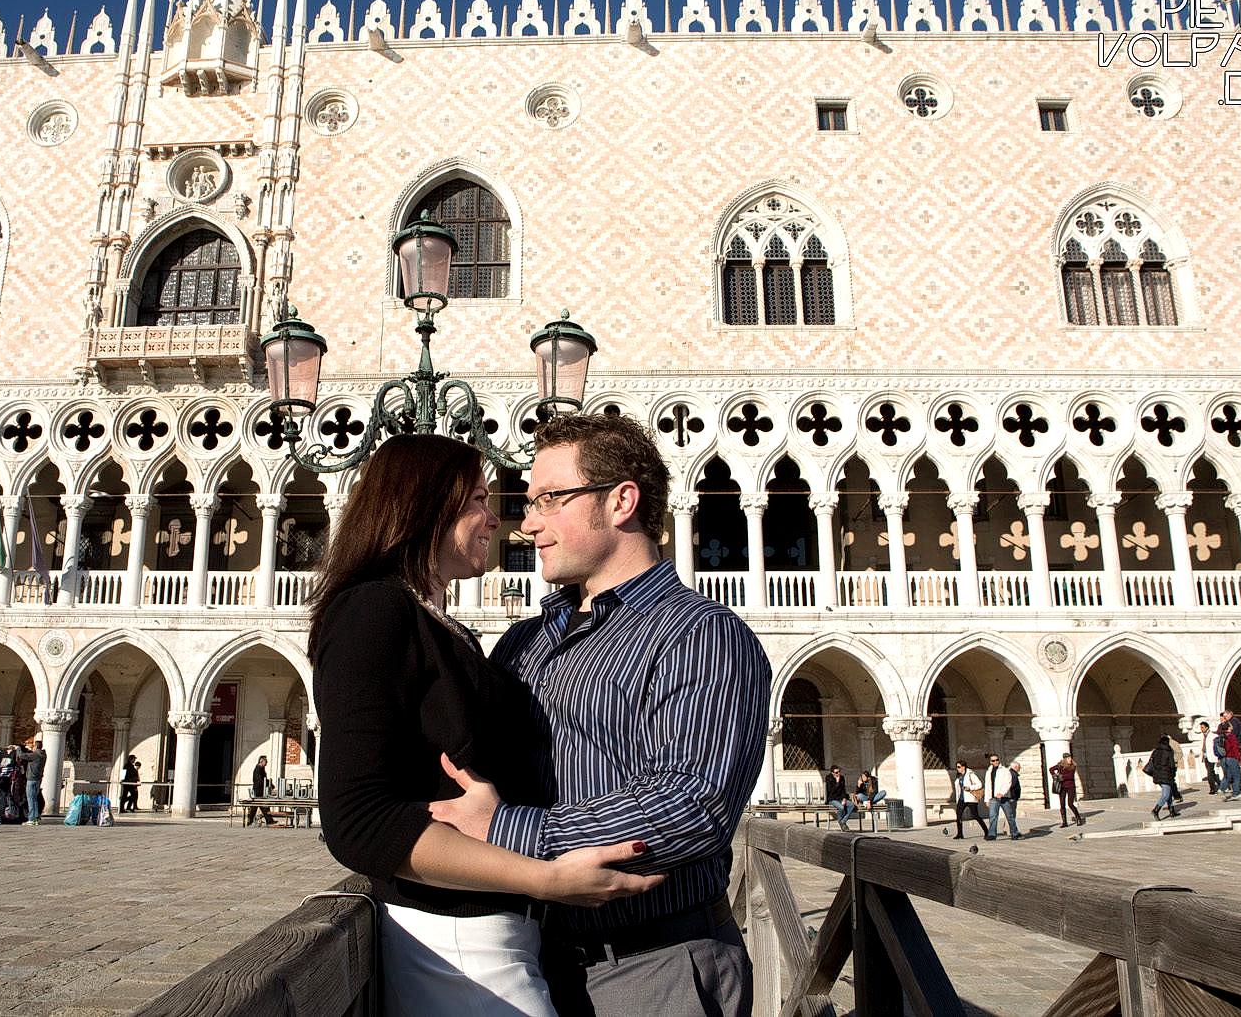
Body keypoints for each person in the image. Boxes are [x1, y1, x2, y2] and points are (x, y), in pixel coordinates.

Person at [430, 414, 772, 1016]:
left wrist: (504, 830)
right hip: (527, 961)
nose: (527, 523)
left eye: (549, 500)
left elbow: (693, 805)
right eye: (527, 502)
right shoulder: (522, 645)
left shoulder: (702, 635)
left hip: (654, 967)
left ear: (621, 502)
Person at [314, 433, 665, 1017]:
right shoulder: (372, 611)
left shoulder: (441, 628)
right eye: (478, 499)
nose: (499, 522)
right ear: (425, 505)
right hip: (457, 946)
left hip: (502, 932)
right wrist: (543, 878)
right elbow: (358, 822)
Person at [985, 753, 1021, 840]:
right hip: (993, 798)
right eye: (993, 760)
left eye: (997, 760)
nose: (996, 762)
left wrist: (1002, 793)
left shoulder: (1005, 770)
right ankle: (992, 834)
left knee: (1010, 816)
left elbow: (1008, 783)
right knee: (993, 816)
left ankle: (1015, 833)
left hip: (1004, 798)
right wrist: (987, 799)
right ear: (990, 762)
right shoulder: (989, 772)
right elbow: (987, 786)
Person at [1147, 735, 1180, 820]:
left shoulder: (1155, 751)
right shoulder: (1169, 751)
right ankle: (1156, 810)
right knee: (1165, 795)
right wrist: (1173, 775)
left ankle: (1171, 811)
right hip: (1166, 775)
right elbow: (1172, 765)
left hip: (1157, 775)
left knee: (1168, 793)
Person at [1049, 752, 1085, 828]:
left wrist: (1060, 777)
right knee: (1062, 804)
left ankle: (1078, 818)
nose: (1070, 759)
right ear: (1064, 759)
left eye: (1070, 758)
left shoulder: (1073, 766)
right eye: (1068, 758)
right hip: (1062, 787)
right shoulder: (1060, 765)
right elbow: (1051, 769)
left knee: (1070, 803)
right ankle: (1064, 822)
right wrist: (1054, 775)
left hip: (1070, 787)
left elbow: (1070, 776)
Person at [951, 759, 983, 839]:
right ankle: (960, 833)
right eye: (957, 767)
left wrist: (970, 787)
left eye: (959, 767)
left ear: (963, 767)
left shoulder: (970, 774)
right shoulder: (959, 776)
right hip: (961, 799)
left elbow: (979, 784)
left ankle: (986, 831)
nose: (957, 769)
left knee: (975, 816)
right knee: (958, 816)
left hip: (970, 798)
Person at [244, 755, 276, 827]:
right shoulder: (258, 769)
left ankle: (267, 820)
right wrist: (268, 783)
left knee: (259, 806)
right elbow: (260, 780)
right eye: (266, 761)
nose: (266, 763)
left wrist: (270, 784)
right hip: (258, 790)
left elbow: (263, 779)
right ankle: (268, 820)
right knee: (260, 806)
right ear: (261, 761)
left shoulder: (261, 769)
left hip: (260, 789)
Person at [20, 736, 46, 824]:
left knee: (30, 798)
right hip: (38, 779)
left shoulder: (35, 755)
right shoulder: (43, 755)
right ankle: (36, 817)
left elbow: (22, 756)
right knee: (34, 798)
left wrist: (18, 748)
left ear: (35, 746)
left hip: (31, 779)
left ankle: (31, 818)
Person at [1217, 722, 1241, 800]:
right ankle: (1236, 793)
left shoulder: (1219, 737)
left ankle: (1221, 789)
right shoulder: (1231, 736)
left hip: (1223, 759)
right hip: (1232, 758)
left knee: (1227, 776)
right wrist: (1240, 760)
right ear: (1229, 728)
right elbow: (1235, 749)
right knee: (1237, 776)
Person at [824, 765, 855, 831]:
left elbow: (843, 790)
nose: (838, 774)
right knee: (841, 807)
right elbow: (830, 791)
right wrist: (837, 782)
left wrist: (844, 798)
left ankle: (842, 821)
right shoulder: (828, 778)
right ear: (832, 773)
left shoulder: (842, 778)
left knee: (851, 805)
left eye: (839, 772)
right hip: (832, 799)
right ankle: (841, 822)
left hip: (840, 798)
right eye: (836, 772)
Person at [1197, 720, 1220, 794]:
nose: (1201, 729)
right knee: (1211, 772)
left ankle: (1212, 789)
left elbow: (1217, 747)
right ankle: (1221, 784)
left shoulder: (1213, 736)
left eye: (1203, 727)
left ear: (1207, 727)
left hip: (1212, 756)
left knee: (1209, 773)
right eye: (1201, 727)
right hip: (1205, 757)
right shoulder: (1202, 736)